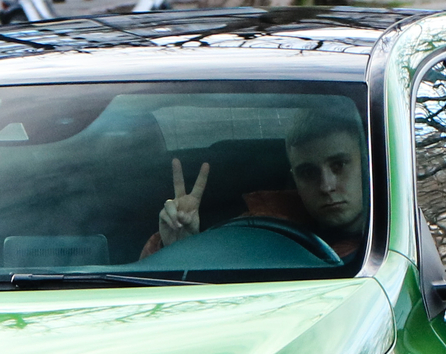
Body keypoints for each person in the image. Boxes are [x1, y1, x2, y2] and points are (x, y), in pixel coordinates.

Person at [144, 102, 369, 262]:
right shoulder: (259, 228)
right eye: (308, 173)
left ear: (368, 164)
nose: (326, 186)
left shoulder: (396, 243)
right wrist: (181, 249)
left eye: (338, 165)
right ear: (294, 179)